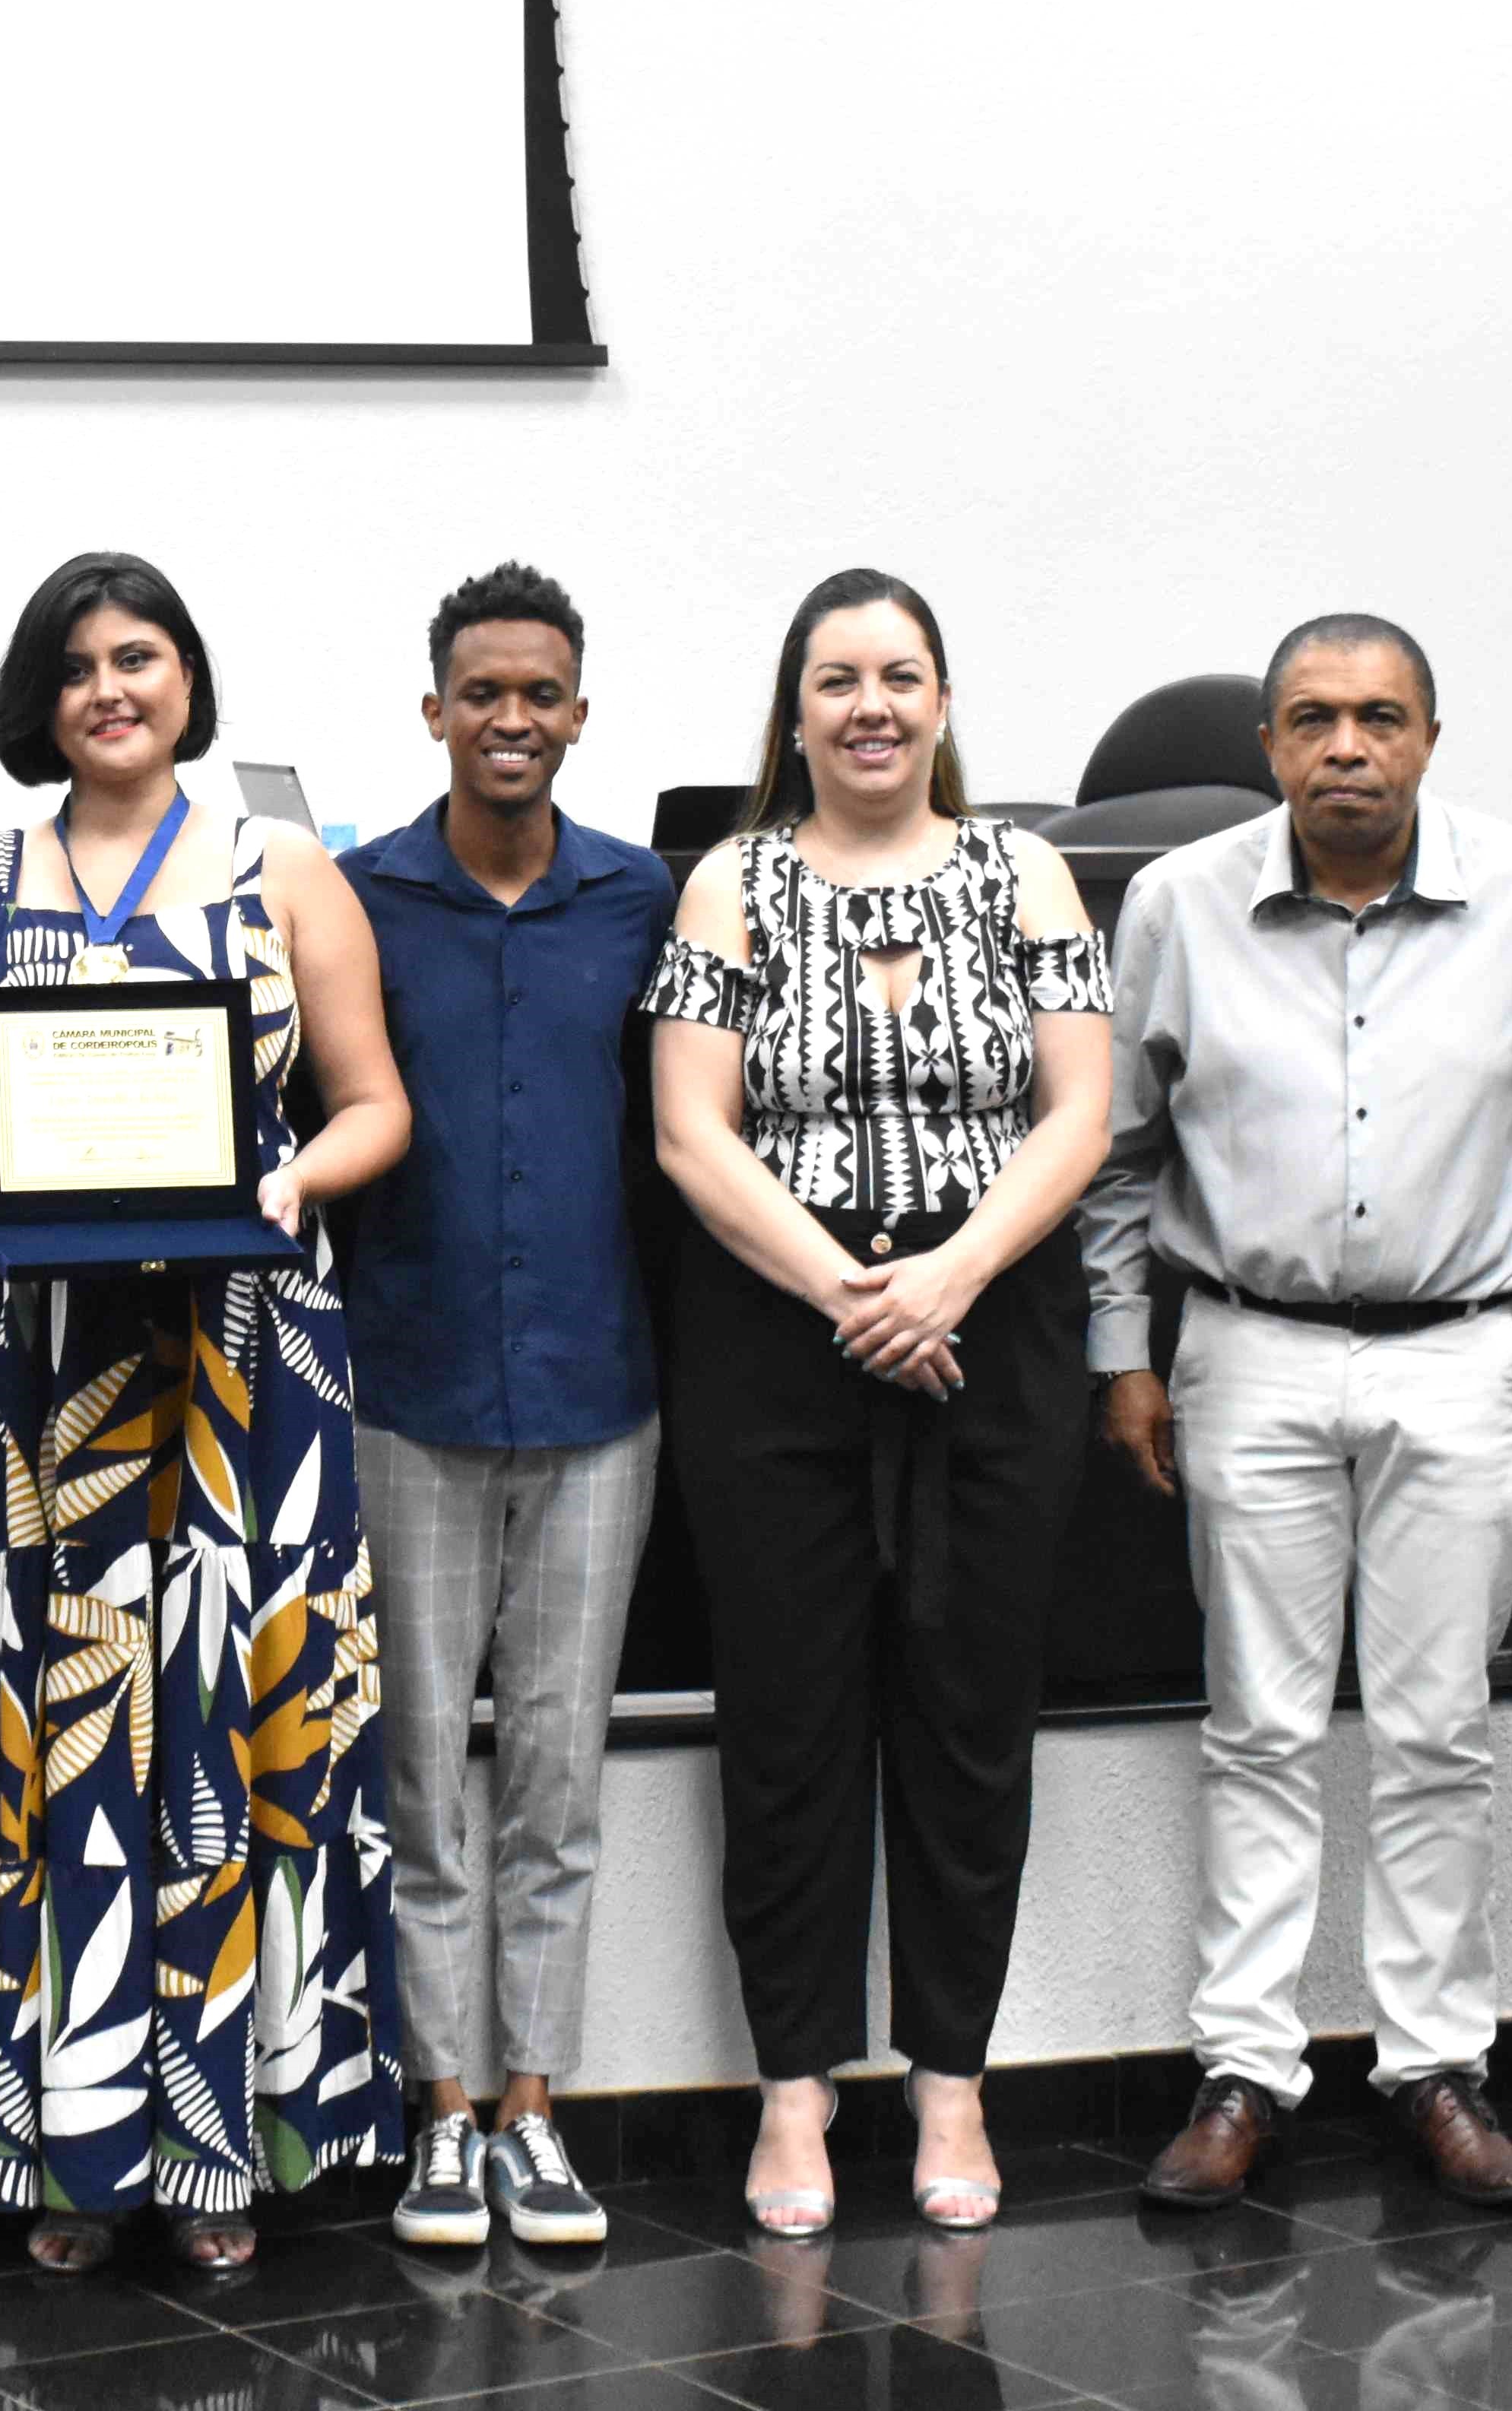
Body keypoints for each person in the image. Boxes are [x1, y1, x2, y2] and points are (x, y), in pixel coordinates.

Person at [0, 550, 416, 2276]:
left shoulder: (286, 868)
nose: (110, 689)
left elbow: (375, 1105)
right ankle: (62, 2153)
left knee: (234, 1741)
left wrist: (294, 1179)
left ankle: (220, 2153)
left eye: (140, 656)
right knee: (46, 1732)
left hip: (241, 1368)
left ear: (188, 679)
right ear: (37, 702)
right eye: (77, 666)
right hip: (30, 1372)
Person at [1082, 613, 1512, 2212]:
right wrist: (1122, 1348)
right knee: (1257, 1728)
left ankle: (1435, 2068)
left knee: (1437, 1732)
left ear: (1430, 738)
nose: (1349, 746)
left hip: (1462, 1353)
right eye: (1315, 718)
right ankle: (1244, 2071)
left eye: (1382, 717)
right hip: (1247, 1350)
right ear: (1268, 744)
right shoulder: (1179, 903)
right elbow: (1120, 1148)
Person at [645, 566, 1108, 2239]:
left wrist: (950, 1275)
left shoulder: (1025, 870)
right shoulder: (731, 882)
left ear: (944, 702)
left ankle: (952, 2079)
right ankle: (795, 2090)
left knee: (971, 1716)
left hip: (993, 1328)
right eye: (837, 679)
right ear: (794, 714)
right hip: (779, 1341)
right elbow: (692, 1131)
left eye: (901, 676)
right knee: (790, 1722)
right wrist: (856, 1291)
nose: (871, 707)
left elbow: (1078, 1111)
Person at [329, 563, 673, 2254]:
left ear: (580, 714)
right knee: (418, 1779)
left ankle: (536, 2112)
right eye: (484, 693)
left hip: (601, 1392)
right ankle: (443, 2113)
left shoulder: (643, 897)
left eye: (542, 693)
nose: (512, 719)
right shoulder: (357, 899)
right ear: (435, 710)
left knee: (557, 1778)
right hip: (409, 1387)